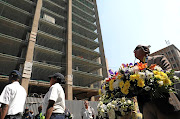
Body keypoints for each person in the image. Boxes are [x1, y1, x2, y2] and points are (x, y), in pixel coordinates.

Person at [134, 45, 180, 119]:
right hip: (146, 106)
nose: (134, 51)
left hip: (165, 102)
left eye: (136, 49)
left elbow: (169, 74)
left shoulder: (159, 58)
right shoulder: (135, 67)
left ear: (145, 50)